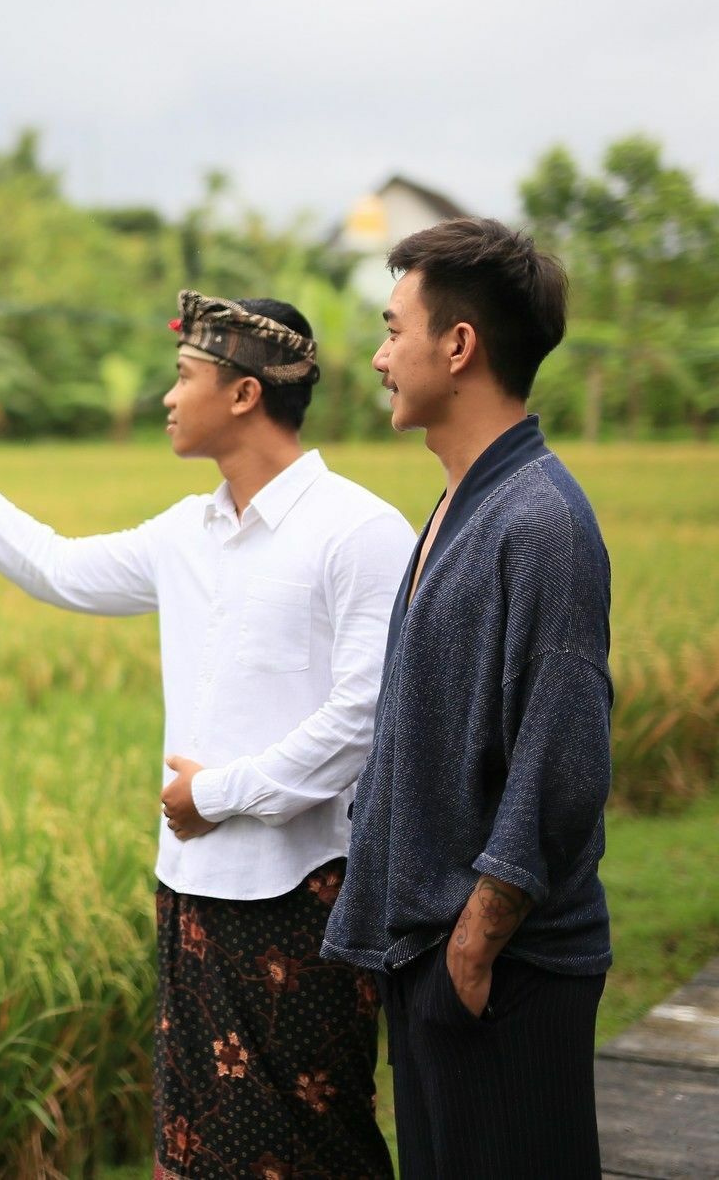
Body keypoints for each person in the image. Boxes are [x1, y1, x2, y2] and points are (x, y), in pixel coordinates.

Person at [0, 292, 412, 1178]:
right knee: (199, 1144)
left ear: (244, 395)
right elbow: (54, 565)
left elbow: (368, 714)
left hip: (307, 896)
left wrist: (214, 794)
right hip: (187, 888)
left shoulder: (359, 531)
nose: (165, 397)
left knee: (313, 1141)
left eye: (184, 377)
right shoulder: (186, 532)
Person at [323, 217, 613, 1178]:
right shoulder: (461, 504)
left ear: (458, 344)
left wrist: (476, 945)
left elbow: (563, 752)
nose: (377, 355)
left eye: (392, 328)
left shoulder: (538, 520)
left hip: (501, 966)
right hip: (440, 953)